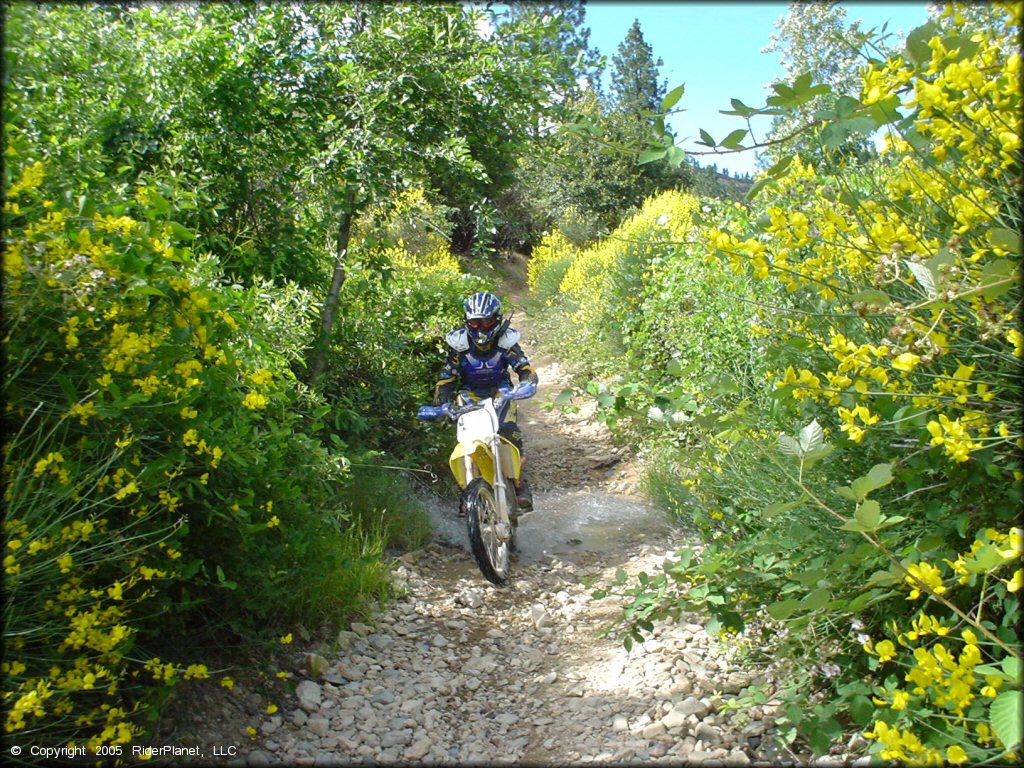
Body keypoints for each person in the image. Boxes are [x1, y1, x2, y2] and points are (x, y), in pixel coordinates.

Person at [433, 291, 538, 510]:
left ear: (497, 320)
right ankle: (467, 491)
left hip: (502, 393)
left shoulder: (506, 342)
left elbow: (525, 368)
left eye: (487, 321)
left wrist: (528, 384)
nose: (481, 328)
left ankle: (519, 486)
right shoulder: (459, 345)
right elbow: (446, 380)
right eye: (475, 322)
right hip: (469, 396)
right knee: (466, 441)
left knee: (509, 432)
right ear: (466, 322)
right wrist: (441, 406)